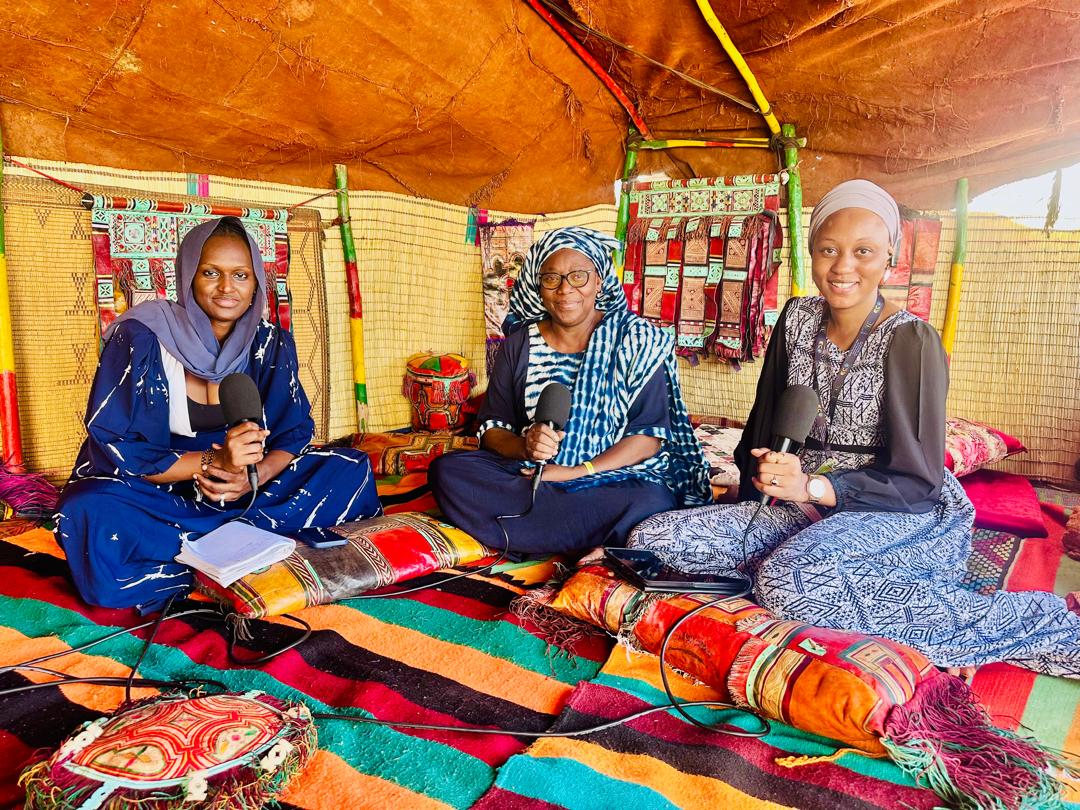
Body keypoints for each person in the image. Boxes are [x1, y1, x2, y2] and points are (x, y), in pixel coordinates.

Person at [629, 180, 1080, 678]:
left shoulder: (912, 340)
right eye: (829, 250)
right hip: (797, 500)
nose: (843, 267)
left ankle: (1042, 623)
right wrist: (762, 478)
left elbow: (918, 480)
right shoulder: (796, 319)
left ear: (890, 255)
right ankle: (845, 579)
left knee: (790, 583)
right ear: (812, 251)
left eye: (863, 251)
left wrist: (816, 486)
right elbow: (764, 419)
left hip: (895, 506)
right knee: (656, 541)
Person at [55, 216, 381, 611]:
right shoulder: (140, 337)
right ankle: (247, 550)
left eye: (241, 275)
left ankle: (211, 547)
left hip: (247, 487)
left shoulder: (271, 342)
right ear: (189, 275)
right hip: (160, 488)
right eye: (211, 273)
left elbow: (292, 433)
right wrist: (214, 461)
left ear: (256, 283)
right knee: (87, 509)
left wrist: (249, 478)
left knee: (349, 467)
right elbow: (125, 453)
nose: (227, 288)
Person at [430, 227, 709, 555]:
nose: (565, 290)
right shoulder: (520, 344)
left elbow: (647, 438)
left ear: (599, 282)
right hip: (536, 476)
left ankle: (527, 532)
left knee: (651, 501)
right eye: (552, 279)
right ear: (539, 287)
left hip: (614, 479)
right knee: (449, 471)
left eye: (579, 276)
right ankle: (595, 540)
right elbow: (493, 428)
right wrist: (526, 446)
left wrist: (575, 472)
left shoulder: (635, 341)